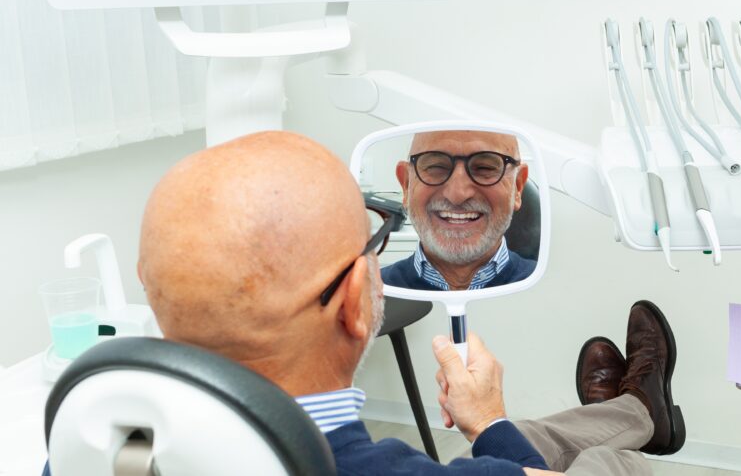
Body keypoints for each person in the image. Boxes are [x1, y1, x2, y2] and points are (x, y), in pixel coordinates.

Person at [128, 131, 684, 475]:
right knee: (608, 461)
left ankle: (638, 411)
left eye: (485, 167)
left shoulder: (101, 447)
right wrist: (488, 419)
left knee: (531, 438)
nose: (460, 190)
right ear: (355, 302)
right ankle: (635, 428)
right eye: (371, 242)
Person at [382, 131, 536, 291]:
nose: (457, 194)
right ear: (406, 185)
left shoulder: (554, 292)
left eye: (485, 168)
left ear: (517, 187)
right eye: (436, 167)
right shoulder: (365, 298)